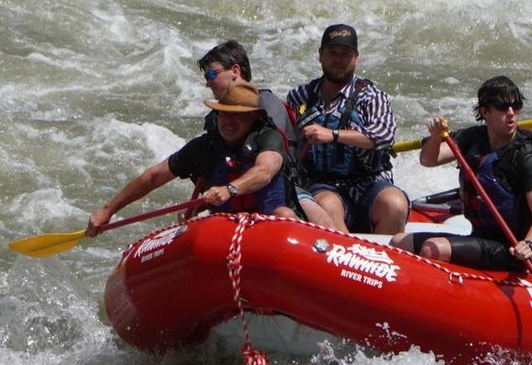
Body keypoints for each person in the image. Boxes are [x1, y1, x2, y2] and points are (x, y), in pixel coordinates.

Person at [86, 81, 301, 234]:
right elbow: (153, 177)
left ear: (253, 117)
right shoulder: (205, 145)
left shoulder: (268, 137)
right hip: (224, 225)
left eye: (237, 115)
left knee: (286, 215)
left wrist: (229, 190)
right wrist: (108, 210)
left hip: (269, 220)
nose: (228, 121)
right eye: (223, 114)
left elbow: (264, 171)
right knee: (192, 224)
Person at [391, 76, 532, 272]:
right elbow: (428, 160)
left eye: (516, 106)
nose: (511, 113)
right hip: (478, 235)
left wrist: (529, 244)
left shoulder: (528, 155)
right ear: (485, 112)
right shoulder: (473, 138)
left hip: (511, 249)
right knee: (399, 241)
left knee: (432, 249)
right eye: (502, 107)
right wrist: (435, 137)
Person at [197, 39, 334, 229]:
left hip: (282, 186)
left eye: (212, 74)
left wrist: (232, 188)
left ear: (235, 71)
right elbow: (208, 163)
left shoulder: (267, 104)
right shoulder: (214, 117)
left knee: (311, 209)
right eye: (206, 76)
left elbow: (270, 158)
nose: (208, 83)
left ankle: (346, 250)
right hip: (230, 191)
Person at [285, 24, 406, 235]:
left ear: (356, 58)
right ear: (321, 55)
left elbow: (384, 136)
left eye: (345, 54)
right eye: (332, 52)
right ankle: (345, 260)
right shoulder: (300, 97)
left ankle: (379, 262)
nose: (338, 60)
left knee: (395, 204)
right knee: (328, 204)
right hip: (323, 183)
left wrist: (332, 135)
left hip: (370, 182)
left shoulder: (372, 96)